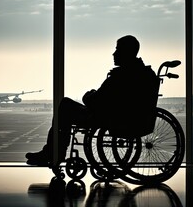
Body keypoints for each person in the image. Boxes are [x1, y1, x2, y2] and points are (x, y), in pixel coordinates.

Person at [25, 35, 158, 166]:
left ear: (125, 52)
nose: (114, 53)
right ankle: (52, 152)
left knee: (64, 106)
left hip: (107, 117)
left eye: (117, 49)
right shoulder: (142, 73)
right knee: (66, 106)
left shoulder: (121, 76)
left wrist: (88, 95)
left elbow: (96, 101)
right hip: (121, 116)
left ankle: (52, 152)